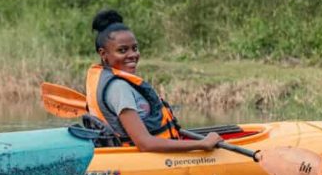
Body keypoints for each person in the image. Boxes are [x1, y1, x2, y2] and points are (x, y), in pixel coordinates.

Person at [85, 9, 221, 153]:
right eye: (122, 50)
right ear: (103, 54)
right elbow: (145, 144)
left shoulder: (107, 78)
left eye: (135, 48)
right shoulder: (119, 88)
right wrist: (203, 144)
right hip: (142, 160)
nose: (132, 55)